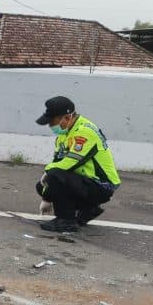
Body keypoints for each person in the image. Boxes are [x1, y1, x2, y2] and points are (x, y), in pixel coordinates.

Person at [34, 96, 121, 232]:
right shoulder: (64, 134)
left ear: (67, 118)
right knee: (42, 185)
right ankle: (87, 210)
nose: (51, 126)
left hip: (101, 185)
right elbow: (57, 161)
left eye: (53, 122)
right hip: (84, 181)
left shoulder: (85, 132)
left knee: (54, 176)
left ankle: (66, 221)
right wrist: (46, 195)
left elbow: (69, 163)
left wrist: (47, 178)